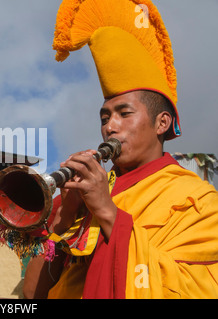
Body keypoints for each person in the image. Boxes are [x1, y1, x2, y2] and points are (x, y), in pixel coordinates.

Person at [21, 0, 218, 298]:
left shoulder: (198, 201)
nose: (110, 127)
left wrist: (108, 212)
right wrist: (65, 215)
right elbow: (32, 294)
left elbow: (194, 289)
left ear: (161, 122)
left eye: (124, 114)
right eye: (104, 117)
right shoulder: (81, 199)